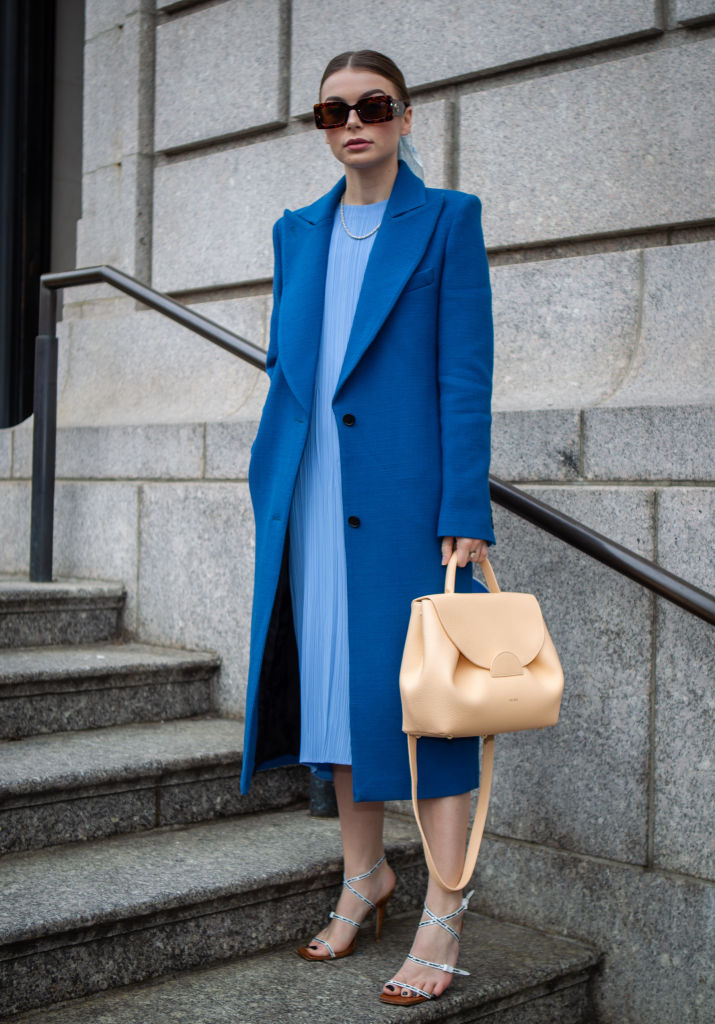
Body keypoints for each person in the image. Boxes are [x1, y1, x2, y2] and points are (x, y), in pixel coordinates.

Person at [240, 49, 495, 1005]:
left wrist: (463, 507)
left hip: (405, 505)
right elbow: (288, 364)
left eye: (373, 107)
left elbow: (464, 370)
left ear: (404, 117)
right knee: (340, 700)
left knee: (430, 709)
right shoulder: (295, 230)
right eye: (333, 112)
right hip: (309, 496)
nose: (354, 124)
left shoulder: (446, 219)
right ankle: (363, 878)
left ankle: (441, 911)